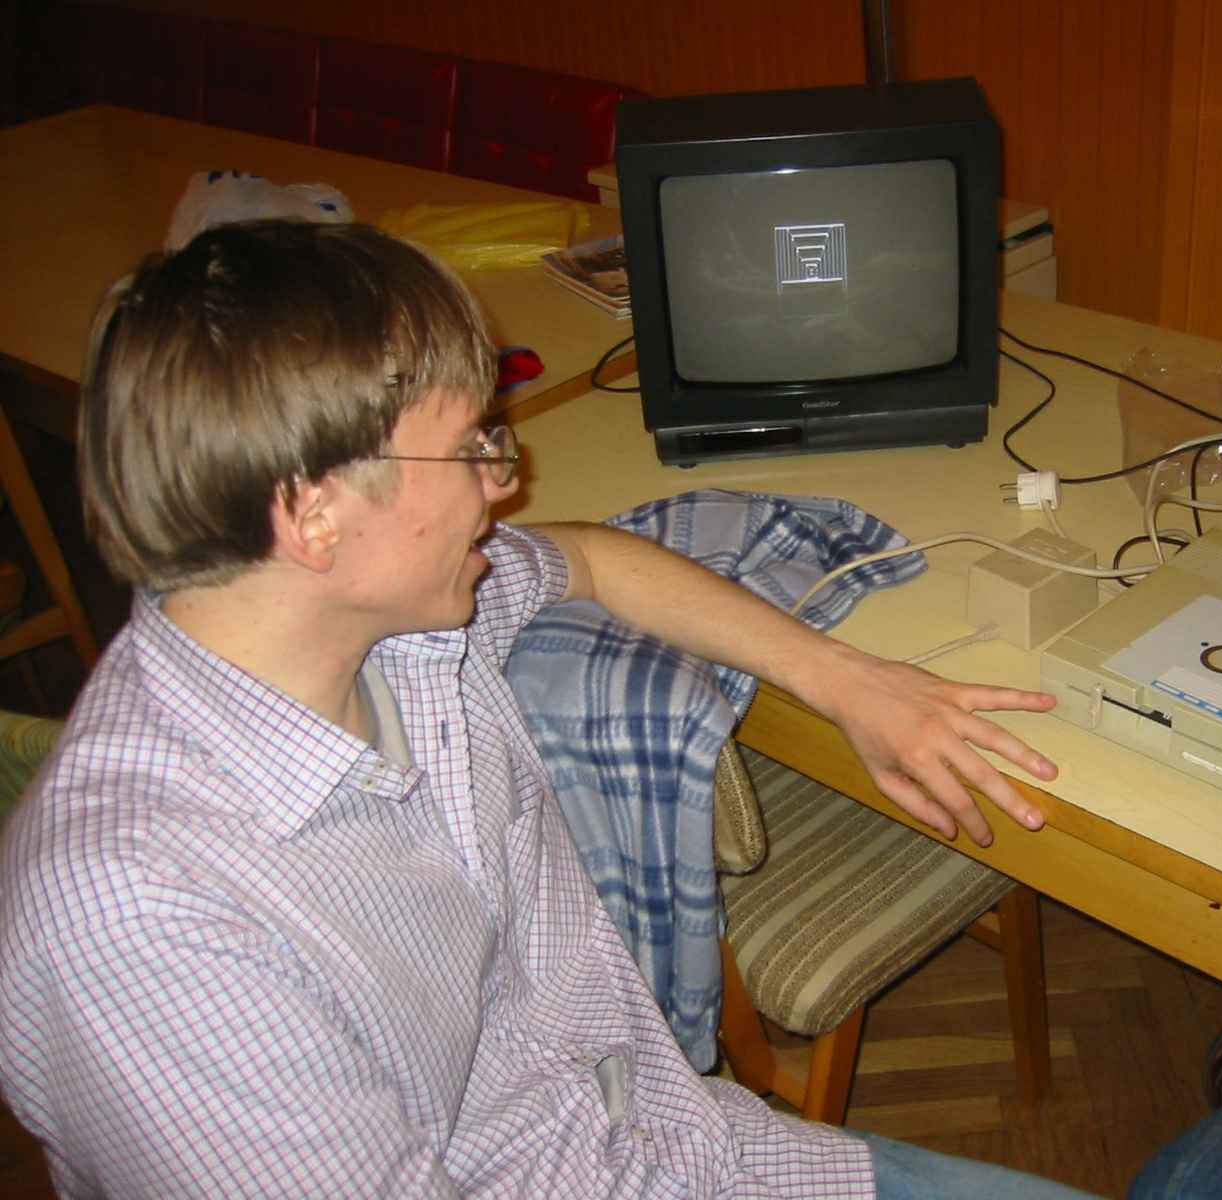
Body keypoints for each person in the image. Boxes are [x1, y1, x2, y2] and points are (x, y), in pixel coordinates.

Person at [0, 218, 1083, 1198]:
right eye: (471, 446)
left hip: (687, 1145)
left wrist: (845, 679)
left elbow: (595, 560)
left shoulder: (399, 621)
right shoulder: (143, 929)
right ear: (313, 514)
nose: (503, 481)